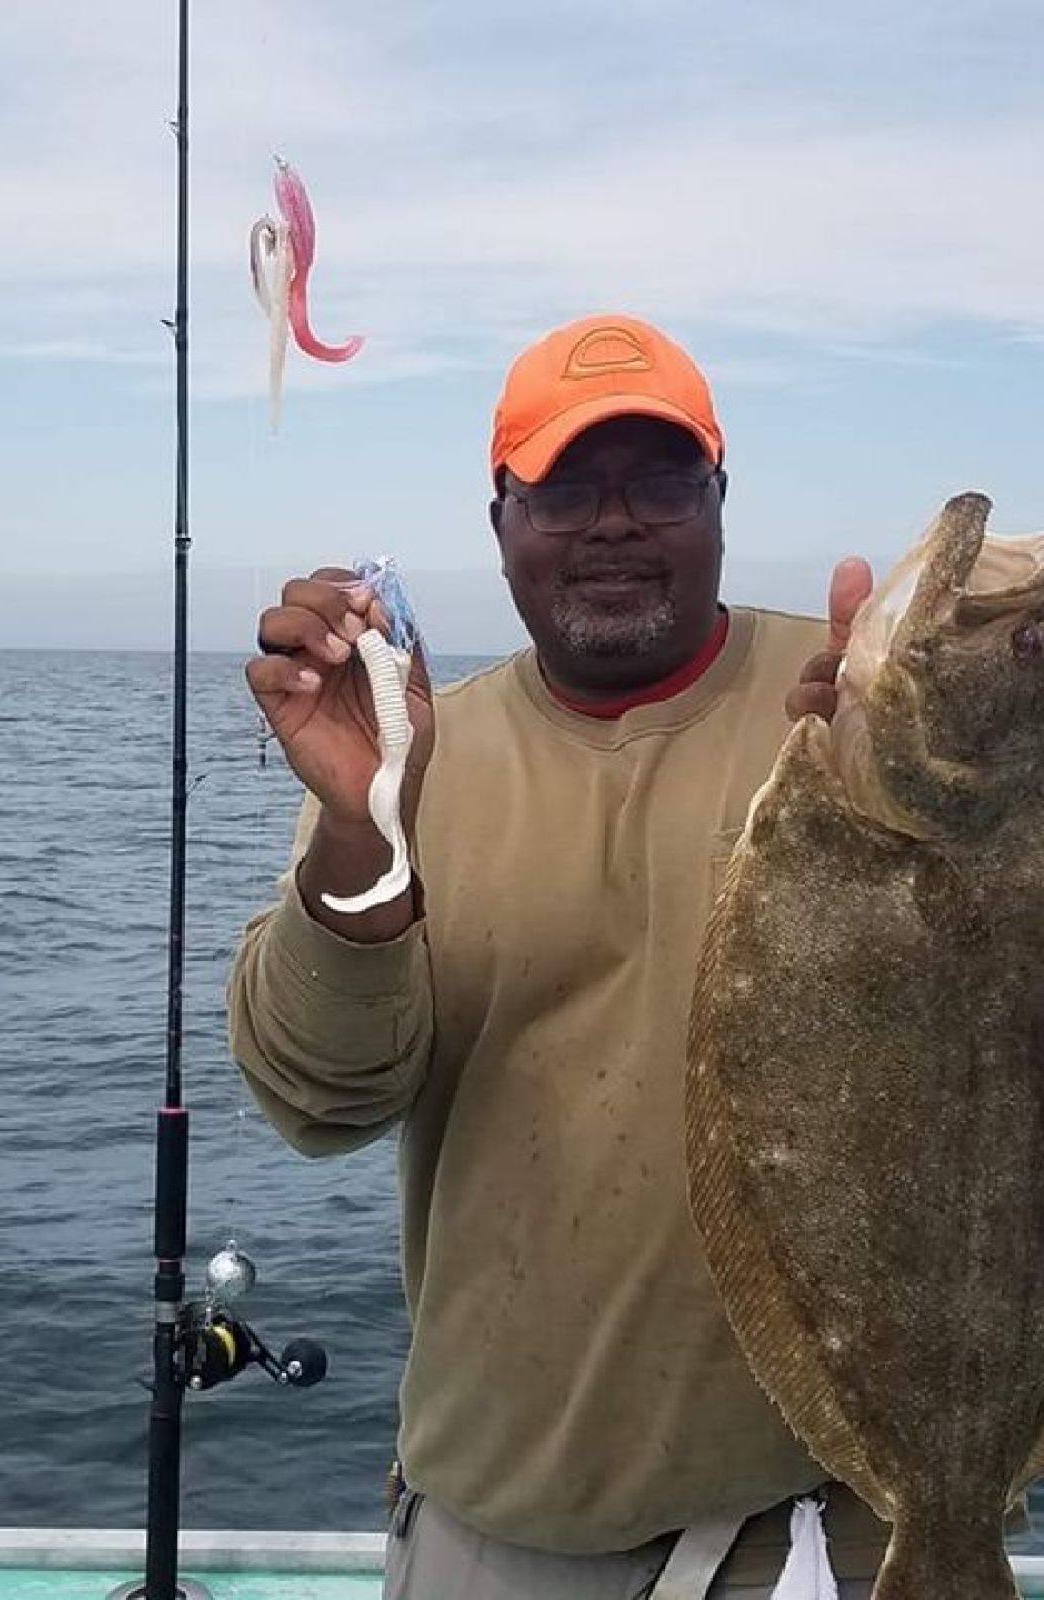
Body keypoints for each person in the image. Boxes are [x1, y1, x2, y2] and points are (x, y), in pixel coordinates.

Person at [229, 313, 881, 1600]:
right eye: (568, 487)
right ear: (502, 525)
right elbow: (319, 1103)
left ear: (720, 503)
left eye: (661, 482)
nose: (615, 522)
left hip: (833, 1515)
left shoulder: (853, 701)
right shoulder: (407, 756)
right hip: (498, 1520)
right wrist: (363, 828)